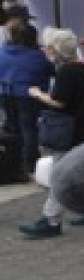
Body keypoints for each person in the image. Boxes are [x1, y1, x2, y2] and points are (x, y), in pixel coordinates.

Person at [19, 28, 84, 239]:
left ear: (55, 49)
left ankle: (51, 219)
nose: (45, 50)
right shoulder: (83, 69)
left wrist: (38, 94)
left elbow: (59, 102)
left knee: (59, 175)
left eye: (48, 46)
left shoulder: (67, 71)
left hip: (70, 130)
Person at [0, 19, 52, 176]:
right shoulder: (37, 56)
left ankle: (15, 163)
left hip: (6, 92)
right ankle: (31, 164)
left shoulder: (3, 52)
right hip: (29, 94)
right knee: (29, 129)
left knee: (12, 128)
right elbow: (49, 71)